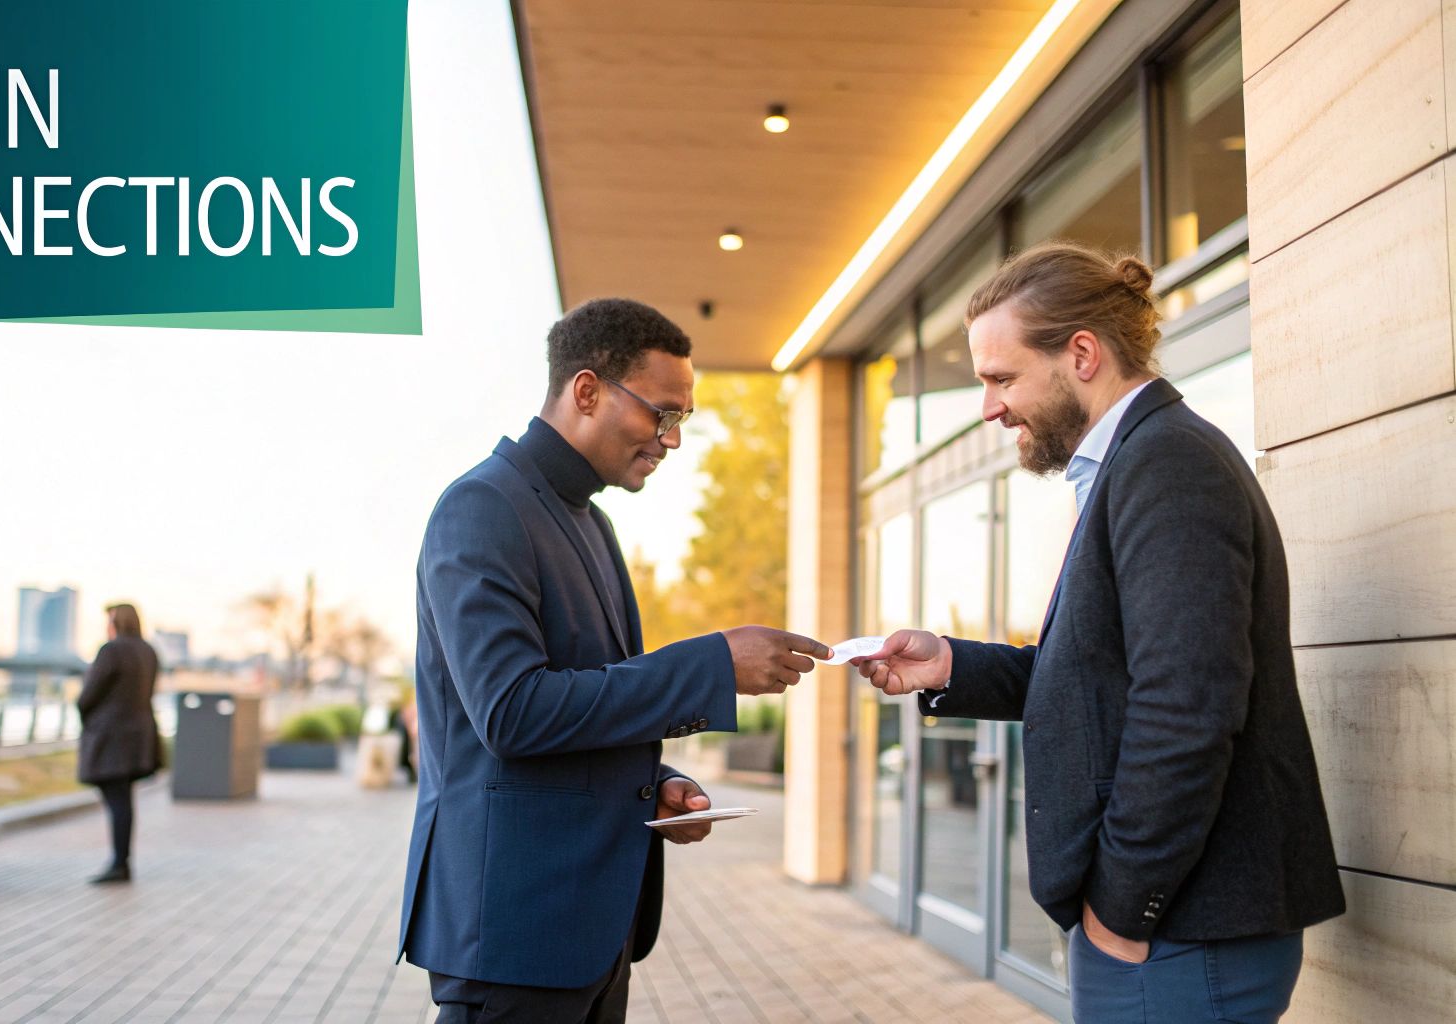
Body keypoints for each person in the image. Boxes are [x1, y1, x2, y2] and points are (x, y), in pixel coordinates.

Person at [852, 242, 1343, 1022]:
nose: (989, 407)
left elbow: (1186, 709)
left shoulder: (1167, 463)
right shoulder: (1139, 462)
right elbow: (1097, 677)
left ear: (1082, 353)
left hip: (1180, 933)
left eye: (1001, 378)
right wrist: (948, 664)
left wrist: (1120, 910)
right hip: (1176, 931)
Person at [398, 297, 832, 1023]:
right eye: (662, 413)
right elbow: (512, 714)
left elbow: (582, 706)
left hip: (591, 934)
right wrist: (712, 665)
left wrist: (654, 783)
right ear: (588, 390)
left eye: (681, 420)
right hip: (514, 935)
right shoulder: (481, 508)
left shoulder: (590, 522)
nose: (671, 440)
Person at [76, 602, 163, 885]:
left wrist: (88, 719)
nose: (106, 626)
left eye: (109, 620)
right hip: (139, 736)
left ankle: (119, 863)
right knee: (123, 799)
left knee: (117, 800)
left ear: (117, 621)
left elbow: (87, 696)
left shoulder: (111, 650)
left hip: (112, 738)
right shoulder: (148, 651)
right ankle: (121, 861)